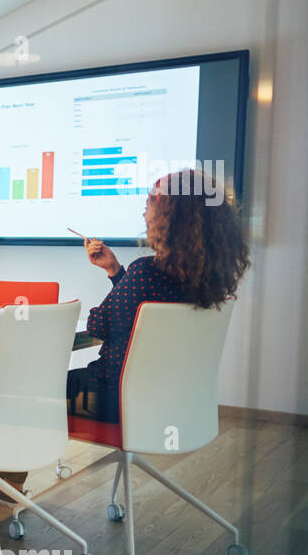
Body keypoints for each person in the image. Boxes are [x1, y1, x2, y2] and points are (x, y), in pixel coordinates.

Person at [71, 168, 250, 423]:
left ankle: (17, 459)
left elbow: (99, 324)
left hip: (109, 398)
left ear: (170, 218)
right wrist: (114, 270)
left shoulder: (147, 273)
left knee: (26, 390)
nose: (144, 214)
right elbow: (138, 312)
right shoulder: (204, 281)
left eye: (149, 205)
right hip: (164, 399)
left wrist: (113, 293)